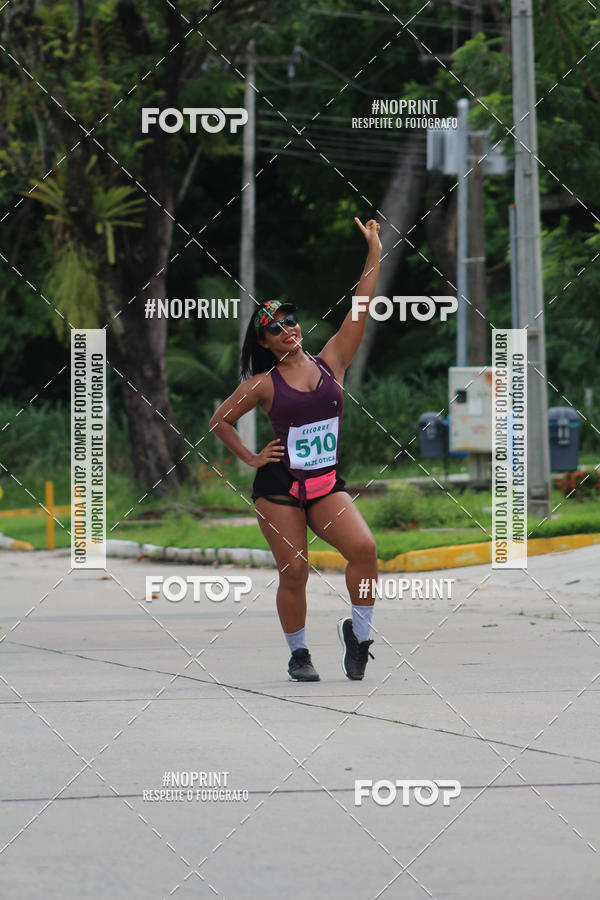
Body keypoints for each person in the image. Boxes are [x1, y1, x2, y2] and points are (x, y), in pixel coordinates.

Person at [209, 217, 382, 682]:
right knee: (295, 571)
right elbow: (220, 421)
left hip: (325, 484)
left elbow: (360, 306)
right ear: (264, 341)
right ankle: (299, 653)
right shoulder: (262, 384)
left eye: (290, 319)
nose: (288, 327)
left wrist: (373, 250)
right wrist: (249, 457)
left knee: (365, 549)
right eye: (275, 326)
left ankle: (360, 637)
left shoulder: (332, 361)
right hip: (279, 488)